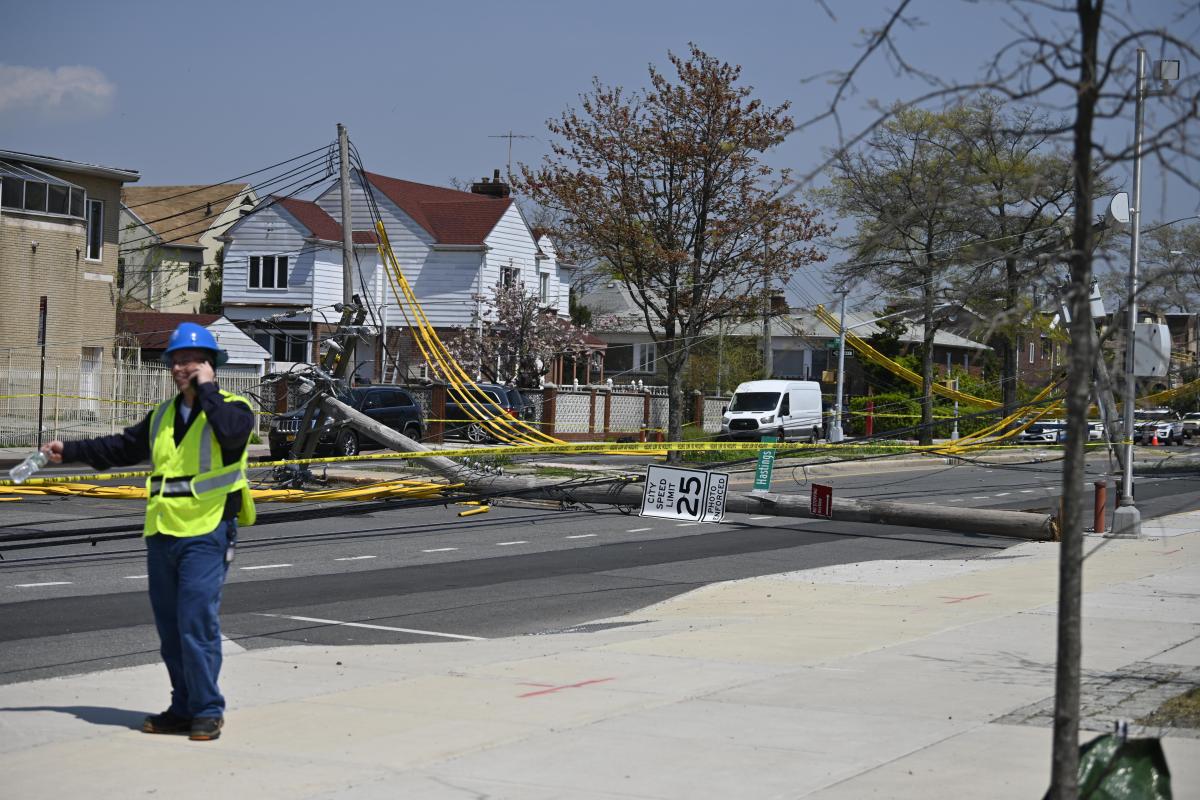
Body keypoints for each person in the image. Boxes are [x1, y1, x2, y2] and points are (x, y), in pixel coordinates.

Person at [44, 322, 256, 742]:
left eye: (192, 359)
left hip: (208, 531)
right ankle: (182, 708)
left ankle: (208, 710)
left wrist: (207, 390)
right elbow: (120, 447)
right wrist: (69, 451)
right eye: (176, 361)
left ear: (210, 364)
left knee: (196, 623)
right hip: (162, 532)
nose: (183, 367)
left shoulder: (234, 407)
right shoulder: (161, 415)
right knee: (171, 628)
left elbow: (232, 437)